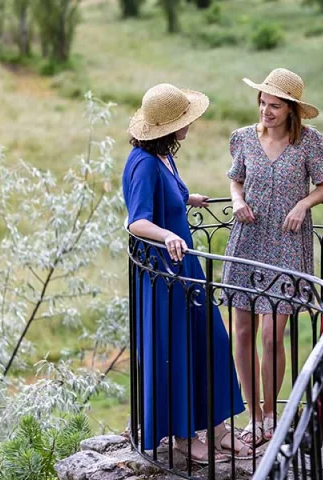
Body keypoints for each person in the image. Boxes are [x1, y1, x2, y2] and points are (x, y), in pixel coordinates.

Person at [123, 83, 252, 463]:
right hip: (164, 276)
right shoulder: (143, 164)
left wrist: (186, 198)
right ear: (165, 127)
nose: (190, 124)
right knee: (175, 351)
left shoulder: (162, 155)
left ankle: (218, 428)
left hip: (185, 268)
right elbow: (137, 222)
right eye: (184, 120)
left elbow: (168, 196)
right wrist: (166, 235)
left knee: (209, 339)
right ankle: (182, 437)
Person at [221, 68, 323, 446]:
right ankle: (254, 417)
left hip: (286, 243)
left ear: (291, 110)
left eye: (275, 106)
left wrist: (303, 203)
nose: (266, 111)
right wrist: (237, 201)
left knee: (271, 335)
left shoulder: (310, 143)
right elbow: (236, 178)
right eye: (263, 103)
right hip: (248, 240)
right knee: (244, 332)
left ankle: (271, 413)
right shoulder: (243, 139)